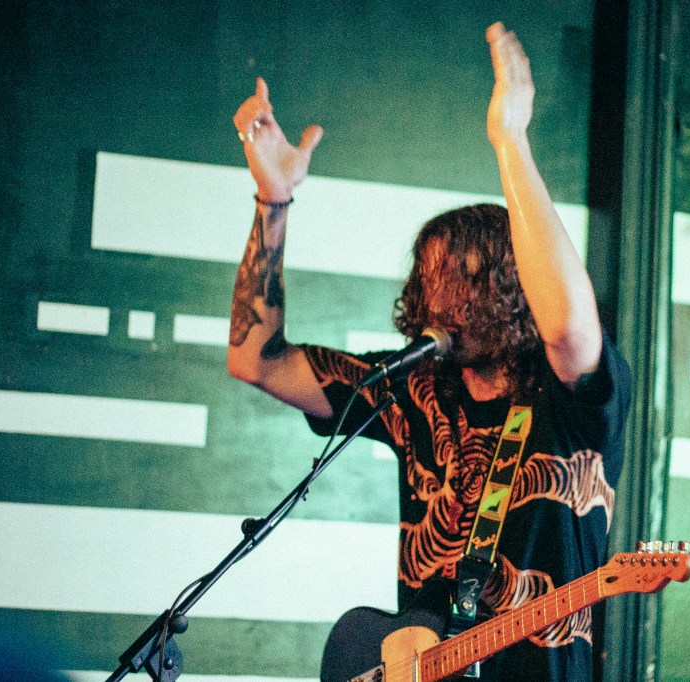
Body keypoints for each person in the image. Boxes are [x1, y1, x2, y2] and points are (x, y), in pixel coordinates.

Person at [228, 22, 631, 682]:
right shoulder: (413, 389)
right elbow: (256, 359)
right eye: (429, 278)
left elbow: (567, 327)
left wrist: (510, 140)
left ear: (513, 284)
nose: (440, 298)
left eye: (462, 279)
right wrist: (273, 199)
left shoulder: (570, 395)